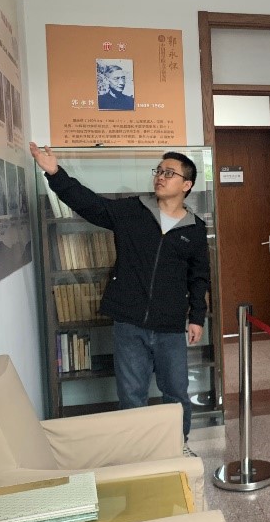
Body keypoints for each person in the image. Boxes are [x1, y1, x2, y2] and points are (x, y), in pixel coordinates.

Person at [29, 142, 210, 455]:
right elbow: (90, 204)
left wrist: (197, 317)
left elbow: (199, 277)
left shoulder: (194, 229)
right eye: (159, 171)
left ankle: (178, 446)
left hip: (169, 326)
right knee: (131, 395)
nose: (160, 177)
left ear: (187, 184)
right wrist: (56, 174)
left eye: (169, 173)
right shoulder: (132, 210)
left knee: (176, 394)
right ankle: (137, 453)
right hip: (129, 322)